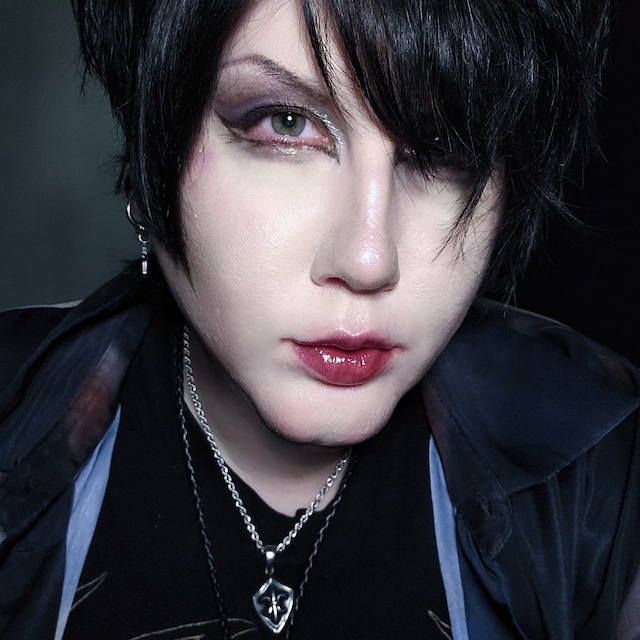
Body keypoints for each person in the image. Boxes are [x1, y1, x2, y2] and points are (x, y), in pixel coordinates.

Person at [1, 0, 639, 638]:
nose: (367, 260)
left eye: (442, 146)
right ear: (151, 152)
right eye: (286, 123)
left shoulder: (602, 465)